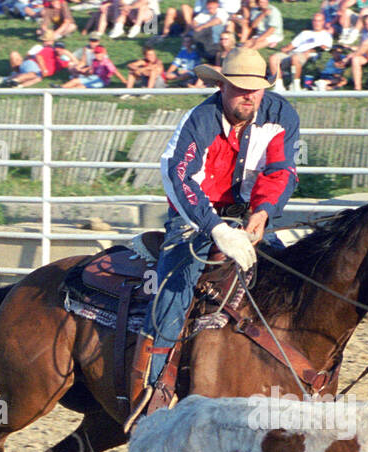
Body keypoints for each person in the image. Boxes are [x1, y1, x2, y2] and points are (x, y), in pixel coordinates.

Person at [128, 46, 300, 420]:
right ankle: (155, 394)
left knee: (289, 274)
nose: (249, 96)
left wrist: (264, 212)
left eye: (255, 89)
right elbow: (181, 177)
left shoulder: (281, 113)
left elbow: (281, 171)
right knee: (176, 286)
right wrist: (216, 229)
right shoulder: (200, 120)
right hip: (194, 217)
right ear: (221, 86)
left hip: (247, 216)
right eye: (240, 88)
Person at [267, 11, 332, 88]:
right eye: (315, 20)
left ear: (323, 22)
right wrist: (284, 48)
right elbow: (290, 46)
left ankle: (295, 85)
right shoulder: (305, 33)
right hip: (293, 53)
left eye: (319, 21)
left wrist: (310, 50)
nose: (316, 23)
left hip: (307, 55)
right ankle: (279, 85)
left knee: (295, 58)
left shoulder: (326, 35)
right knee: (273, 58)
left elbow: (325, 47)